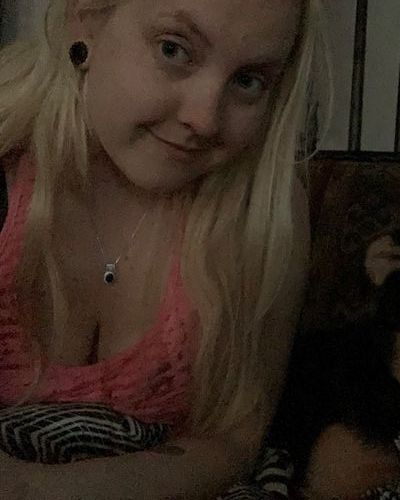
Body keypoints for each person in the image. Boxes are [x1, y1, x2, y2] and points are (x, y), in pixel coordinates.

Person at [0, 0, 327, 498]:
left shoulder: (264, 215)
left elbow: (232, 443)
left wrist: (42, 490)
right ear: (86, 17)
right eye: (174, 50)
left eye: (248, 80)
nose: (205, 119)